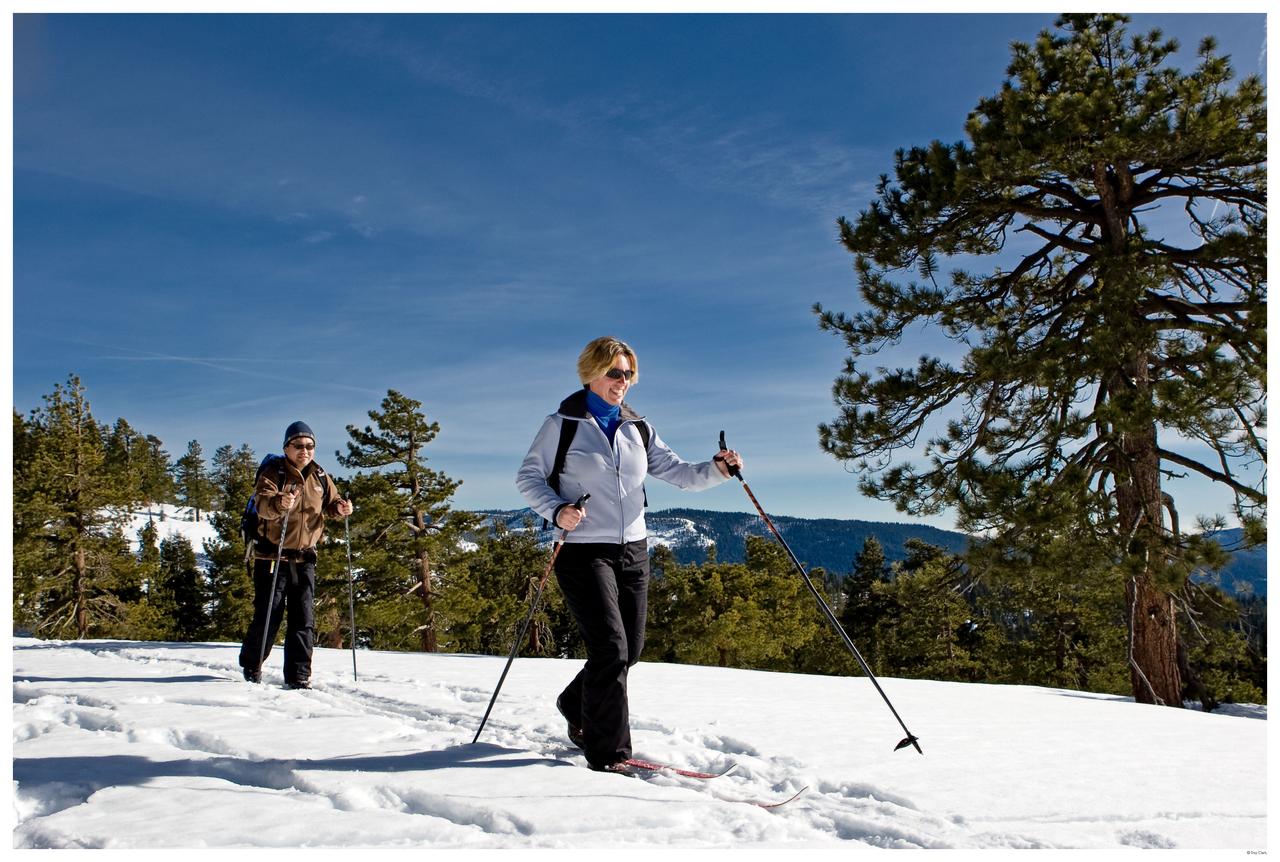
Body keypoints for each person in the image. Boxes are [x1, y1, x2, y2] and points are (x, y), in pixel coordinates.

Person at [516, 336, 743, 771]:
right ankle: (608, 753)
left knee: (630, 649)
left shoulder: (637, 426)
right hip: (583, 549)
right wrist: (557, 509)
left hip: (634, 549)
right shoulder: (561, 424)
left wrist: (716, 468)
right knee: (611, 648)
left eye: (629, 374)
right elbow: (529, 477)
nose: (623, 382)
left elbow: (675, 470)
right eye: (615, 373)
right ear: (592, 373)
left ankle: (573, 701)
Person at [239, 421, 353, 689]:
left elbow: (331, 504)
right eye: (299, 445)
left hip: (304, 558)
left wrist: (341, 508)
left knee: (304, 618)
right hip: (272, 556)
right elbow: (263, 504)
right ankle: (252, 664)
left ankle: (299, 674)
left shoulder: (320, 476)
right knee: (269, 614)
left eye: (310, 446)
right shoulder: (273, 472)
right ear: (286, 447)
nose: (305, 450)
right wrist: (279, 502)